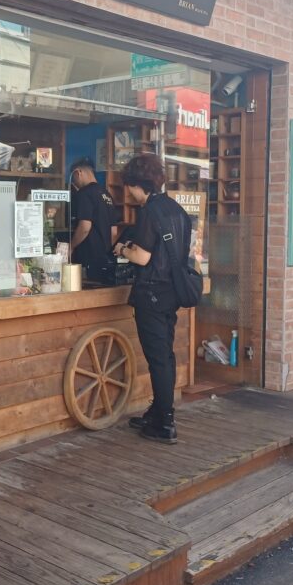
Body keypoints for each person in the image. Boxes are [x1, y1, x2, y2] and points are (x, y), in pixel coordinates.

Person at [113, 153, 191, 444]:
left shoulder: (149, 212)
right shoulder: (176, 210)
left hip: (152, 294)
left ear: (137, 184)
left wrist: (123, 250)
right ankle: (157, 412)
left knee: (158, 359)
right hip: (171, 293)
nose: (129, 192)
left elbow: (142, 257)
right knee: (165, 355)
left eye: (129, 186)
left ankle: (165, 423)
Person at [69, 157, 118, 282]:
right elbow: (114, 232)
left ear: (78, 172)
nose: (75, 184)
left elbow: (85, 227)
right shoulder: (107, 195)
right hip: (105, 259)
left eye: (74, 179)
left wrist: (71, 246)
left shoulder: (84, 193)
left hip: (88, 258)